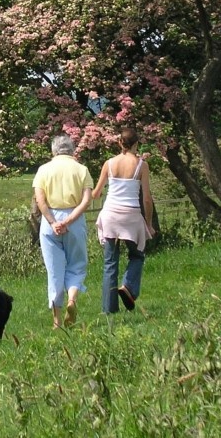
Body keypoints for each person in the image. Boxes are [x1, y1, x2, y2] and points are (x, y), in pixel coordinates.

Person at [32, 133, 93, 329]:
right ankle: (72, 300)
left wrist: (52, 221)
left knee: (54, 271)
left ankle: (57, 321)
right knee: (76, 265)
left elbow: (40, 200)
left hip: (50, 223)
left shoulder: (43, 170)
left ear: (53, 150)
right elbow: (86, 200)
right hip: (74, 220)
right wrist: (68, 220)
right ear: (72, 150)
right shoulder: (81, 169)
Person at [92, 126, 155, 314]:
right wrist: (149, 224)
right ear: (137, 143)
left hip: (110, 214)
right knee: (137, 255)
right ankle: (128, 286)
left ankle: (108, 309)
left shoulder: (109, 163)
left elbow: (96, 193)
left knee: (110, 262)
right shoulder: (141, 165)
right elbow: (146, 198)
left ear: (119, 142)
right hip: (131, 215)